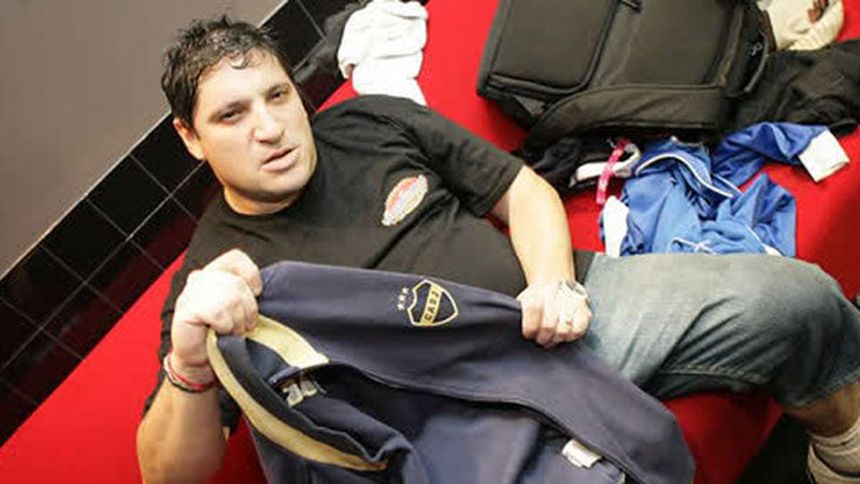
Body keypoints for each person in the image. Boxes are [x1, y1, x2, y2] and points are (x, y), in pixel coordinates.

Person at [136, 16, 860, 484]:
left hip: (559, 315)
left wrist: (553, 283)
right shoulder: (217, 272)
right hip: (461, 416)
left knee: (795, 298)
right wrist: (190, 363)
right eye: (232, 115)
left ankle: (841, 458)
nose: (270, 128)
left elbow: (522, 191)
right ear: (191, 138)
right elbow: (166, 474)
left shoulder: (370, 122)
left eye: (278, 97)